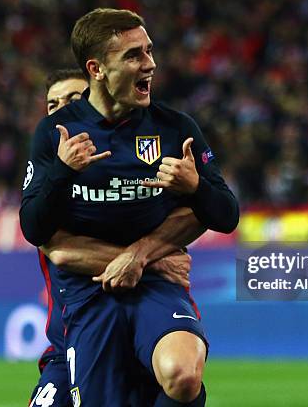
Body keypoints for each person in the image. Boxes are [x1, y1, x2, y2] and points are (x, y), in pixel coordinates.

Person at [20, 8, 239, 407]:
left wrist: (195, 188)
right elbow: (35, 230)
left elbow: (225, 214)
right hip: (89, 292)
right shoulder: (57, 132)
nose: (150, 64)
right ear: (97, 69)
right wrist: (62, 172)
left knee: (184, 376)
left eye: (150, 51)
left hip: (157, 288)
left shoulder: (175, 128)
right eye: (134, 55)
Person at [29, 68, 201, 407]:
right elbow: (60, 251)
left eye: (72, 100)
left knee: (180, 377)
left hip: (135, 321)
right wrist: (151, 259)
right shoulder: (46, 185)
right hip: (68, 344)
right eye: (53, 104)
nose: (62, 109)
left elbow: (197, 213)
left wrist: (139, 257)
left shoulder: (135, 173)